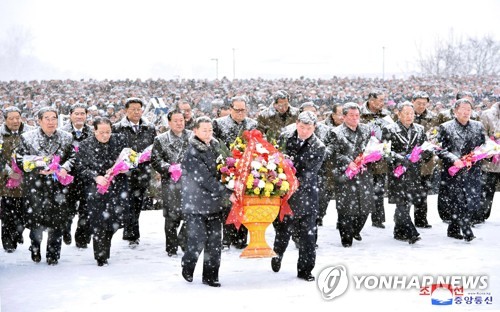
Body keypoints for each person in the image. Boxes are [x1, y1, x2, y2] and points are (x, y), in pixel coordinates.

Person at [15, 107, 75, 265]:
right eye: (46, 118)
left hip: (58, 187)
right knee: (36, 223)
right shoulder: (27, 137)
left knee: (58, 222)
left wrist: (63, 168)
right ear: (39, 121)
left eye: (53, 118)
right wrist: (38, 166)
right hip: (36, 186)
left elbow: (73, 157)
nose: (51, 121)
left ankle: (53, 254)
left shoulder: (66, 137)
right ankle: (35, 247)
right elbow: (20, 159)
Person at [271, 111, 325, 282]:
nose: (304, 131)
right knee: (283, 232)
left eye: (308, 128)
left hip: (306, 196)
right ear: (296, 124)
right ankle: (277, 254)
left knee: (308, 237)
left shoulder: (319, 146)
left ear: (314, 128)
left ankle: (305, 270)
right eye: (301, 127)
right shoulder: (285, 138)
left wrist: (289, 178)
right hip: (285, 197)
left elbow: (309, 173)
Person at [77, 117, 129, 266]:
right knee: (99, 222)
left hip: (117, 188)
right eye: (101, 132)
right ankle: (101, 255)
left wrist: (122, 169)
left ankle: (105, 245)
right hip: (96, 189)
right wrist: (95, 177)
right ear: (94, 131)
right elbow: (80, 168)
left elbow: (129, 160)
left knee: (115, 221)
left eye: (108, 132)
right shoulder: (85, 145)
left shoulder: (119, 142)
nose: (105, 135)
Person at [181, 116, 226, 287]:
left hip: (214, 203)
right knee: (197, 239)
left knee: (215, 242)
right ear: (196, 131)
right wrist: (225, 191)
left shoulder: (216, 146)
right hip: (196, 203)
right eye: (204, 130)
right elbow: (204, 178)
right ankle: (188, 265)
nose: (208, 134)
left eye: (210, 130)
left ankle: (211, 275)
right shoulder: (192, 152)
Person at [436, 99, 485, 242]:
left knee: (470, 201)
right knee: (458, 201)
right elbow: (439, 149)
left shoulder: (478, 126)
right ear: (455, 111)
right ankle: (466, 230)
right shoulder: (445, 127)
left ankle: (453, 228)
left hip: (472, 171)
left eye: (468, 110)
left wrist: (480, 155)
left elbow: (483, 145)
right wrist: (453, 159)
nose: (466, 112)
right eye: (463, 109)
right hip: (453, 171)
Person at [212, 96, 258, 250]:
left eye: (243, 110)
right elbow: (214, 145)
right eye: (237, 110)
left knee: (244, 203)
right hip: (226, 169)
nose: (240, 113)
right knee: (227, 205)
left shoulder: (252, 124)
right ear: (230, 109)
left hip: (246, 170)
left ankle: (241, 238)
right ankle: (226, 239)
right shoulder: (219, 123)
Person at [383, 102, 431, 244]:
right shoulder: (389, 129)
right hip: (397, 171)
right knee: (401, 202)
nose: (410, 116)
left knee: (407, 201)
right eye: (406, 113)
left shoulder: (420, 129)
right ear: (399, 114)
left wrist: (420, 156)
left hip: (414, 172)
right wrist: (401, 158)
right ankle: (411, 232)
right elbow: (385, 151)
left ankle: (398, 231)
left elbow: (426, 148)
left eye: (412, 113)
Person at [112, 97, 156, 247]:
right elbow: (114, 149)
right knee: (126, 203)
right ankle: (131, 233)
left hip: (142, 171)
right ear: (126, 111)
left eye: (139, 109)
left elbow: (153, 148)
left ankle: (130, 232)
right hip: (123, 173)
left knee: (137, 204)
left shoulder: (149, 127)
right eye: (133, 109)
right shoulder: (117, 128)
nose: (136, 112)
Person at [329, 103, 374, 247]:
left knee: (365, 207)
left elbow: (372, 146)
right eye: (351, 115)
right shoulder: (336, 132)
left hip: (363, 172)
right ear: (344, 117)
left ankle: (356, 230)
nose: (355, 118)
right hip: (345, 174)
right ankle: (346, 238)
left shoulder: (366, 129)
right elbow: (333, 154)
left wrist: (371, 156)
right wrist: (348, 162)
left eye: (357, 115)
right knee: (346, 208)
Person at [151, 110, 192, 256]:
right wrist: (169, 168)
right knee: (171, 217)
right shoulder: (161, 139)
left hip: (190, 182)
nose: (179, 123)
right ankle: (171, 247)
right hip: (170, 182)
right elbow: (155, 160)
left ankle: (183, 239)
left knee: (191, 214)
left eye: (181, 120)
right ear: (169, 123)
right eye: (176, 120)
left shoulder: (193, 136)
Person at [59, 103, 94, 248]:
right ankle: (65, 229)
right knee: (67, 208)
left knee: (87, 209)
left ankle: (82, 238)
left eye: (82, 114)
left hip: (87, 175)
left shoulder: (92, 132)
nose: (79, 116)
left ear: (86, 116)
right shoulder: (62, 132)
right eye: (76, 113)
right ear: (70, 115)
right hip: (68, 176)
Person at [0, 107, 34, 252]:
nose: (15, 121)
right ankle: (8, 241)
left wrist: (26, 167)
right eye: (11, 118)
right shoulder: (1, 135)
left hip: (27, 182)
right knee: (7, 214)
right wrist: (8, 171)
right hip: (6, 183)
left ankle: (18, 232)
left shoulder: (31, 133)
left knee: (24, 213)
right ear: (5, 120)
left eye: (17, 118)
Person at [360, 90, 392, 229]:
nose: (382, 103)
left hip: (380, 158)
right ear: (371, 101)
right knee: (360, 190)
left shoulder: (386, 115)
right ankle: (356, 219)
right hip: (362, 159)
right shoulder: (359, 113)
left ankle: (378, 218)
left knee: (379, 190)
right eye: (380, 100)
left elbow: (391, 133)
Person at [412, 91, 438, 228]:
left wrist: (428, 150)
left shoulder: (433, 117)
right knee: (406, 193)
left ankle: (421, 219)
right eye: (418, 103)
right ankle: (403, 221)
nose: (421, 106)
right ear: (413, 102)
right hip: (407, 160)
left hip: (426, 161)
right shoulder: (406, 114)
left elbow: (435, 136)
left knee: (423, 192)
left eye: (424, 103)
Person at [479, 101, 500, 223]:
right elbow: (482, 135)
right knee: (487, 189)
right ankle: (481, 216)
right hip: (490, 159)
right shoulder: (487, 114)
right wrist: (494, 146)